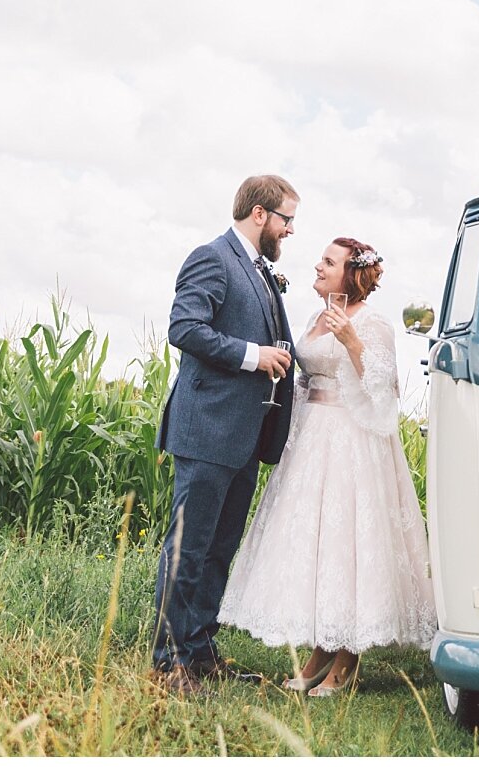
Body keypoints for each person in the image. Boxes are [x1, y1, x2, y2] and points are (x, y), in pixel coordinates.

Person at [218, 237, 436, 696]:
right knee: (314, 541)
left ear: (350, 274)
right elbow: (304, 375)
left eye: (329, 261)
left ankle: (347, 658)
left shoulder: (372, 323)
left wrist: (351, 340)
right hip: (310, 438)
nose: (318, 266)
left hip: (351, 440)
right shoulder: (315, 318)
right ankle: (320, 650)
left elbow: (385, 386)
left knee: (347, 541)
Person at [151, 174, 300, 696]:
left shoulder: (260, 271)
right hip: (208, 430)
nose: (289, 232)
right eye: (287, 220)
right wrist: (253, 355)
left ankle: (199, 651)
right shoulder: (213, 258)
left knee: (218, 551)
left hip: (243, 434)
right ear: (260, 215)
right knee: (188, 550)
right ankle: (169, 663)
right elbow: (184, 328)